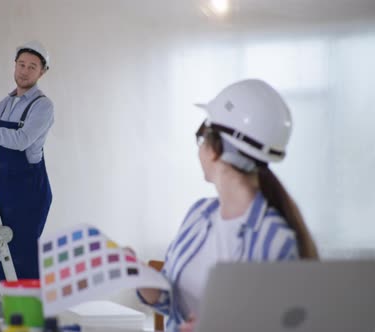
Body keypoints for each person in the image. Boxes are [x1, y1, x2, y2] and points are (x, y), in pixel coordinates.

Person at [135, 79, 318, 332]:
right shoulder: (199, 215)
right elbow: (174, 304)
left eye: (201, 137)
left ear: (215, 149)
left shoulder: (276, 239)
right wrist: (138, 274)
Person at [0, 40, 54, 280]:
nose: (24, 71)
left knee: (24, 260)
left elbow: (21, 140)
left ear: (42, 72)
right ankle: (12, 315)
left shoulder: (43, 106)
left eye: (32, 66)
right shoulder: (7, 103)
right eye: (21, 64)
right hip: (5, 190)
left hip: (29, 193)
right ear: (14, 66)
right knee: (3, 253)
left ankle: (30, 316)